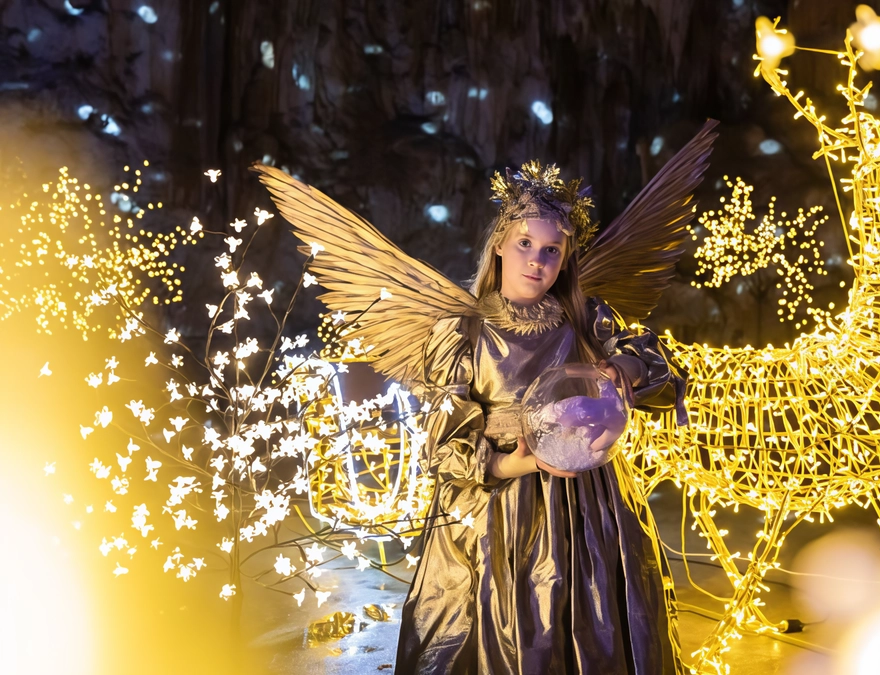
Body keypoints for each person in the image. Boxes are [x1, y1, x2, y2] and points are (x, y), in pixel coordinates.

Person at [253, 120, 717, 674]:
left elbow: (664, 370)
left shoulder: (586, 318)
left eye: (551, 250)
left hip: (589, 506)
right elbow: (444, 445)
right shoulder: (464, 333)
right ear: (499, 242)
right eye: (525, 243)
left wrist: (623, 365)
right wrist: (513, 460)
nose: (536, 261)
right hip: (498, 509)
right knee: (500, 615)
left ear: (565, 259)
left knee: (591, 618)